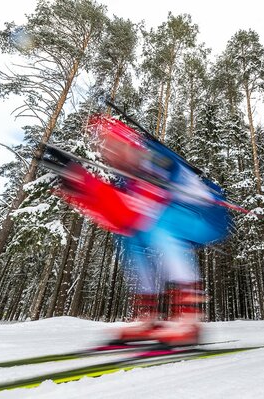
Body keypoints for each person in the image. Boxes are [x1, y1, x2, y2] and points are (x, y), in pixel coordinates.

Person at [47, 114, 232, 346]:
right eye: (106, 149)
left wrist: (85, 182)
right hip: (175, 215)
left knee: (157, 221)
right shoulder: (129, 180)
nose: (110, 154)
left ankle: (188, 318)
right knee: (129, 235)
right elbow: (120, 219)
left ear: (128, 144)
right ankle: (148, 317)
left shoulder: (152, 163)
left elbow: (139, 211)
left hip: (206, 215)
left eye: (115, 146)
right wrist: (78, 187)